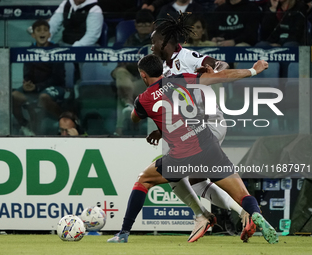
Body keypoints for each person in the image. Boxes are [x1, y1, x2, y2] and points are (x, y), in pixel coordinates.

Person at [107, 54, 278, 244]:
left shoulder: (143, 100)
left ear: (143, 75)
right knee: (243, 195)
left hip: (181, 157)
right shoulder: (181, 80)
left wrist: (154, 120)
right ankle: (254, 213)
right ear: (162, 70)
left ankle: (123, 233)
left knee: (143, 180)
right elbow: (223, 76)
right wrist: (254, 70)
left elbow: (134, 117)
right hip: (210, 149)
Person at [150, 12, 256, 242]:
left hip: (207, 124)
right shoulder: (164, 69)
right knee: (198, 181)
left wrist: (212, 71)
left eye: (154, 42)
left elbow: (221, 64)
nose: (151, 46)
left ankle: (206, 216)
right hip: (191, 130)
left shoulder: (187, 57)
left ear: (166, 42)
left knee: (171, 172)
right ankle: (245, 215)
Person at [12, 20, 65, 136]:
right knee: (14, 96)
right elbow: (27, 73)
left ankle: (65, 123)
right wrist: (27, 83)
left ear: (49, 34)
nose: (42, 33)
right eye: (39, 30)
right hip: (35, 87)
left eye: (45, 30)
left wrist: (37, 87)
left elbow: (57, 78)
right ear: (33, 35)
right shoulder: (28, 51)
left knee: (44, 97)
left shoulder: (57, 50)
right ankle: (25, 125)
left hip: (55, 86)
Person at [112, 9, 155, 136]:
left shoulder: (157, 41)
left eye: (147, 24)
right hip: (131, 78)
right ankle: (129, 104)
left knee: (123, 94)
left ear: (153, 25)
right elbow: (122, 63)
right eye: (140, 24)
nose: (143, 27)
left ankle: (119, 130)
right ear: (136, 25)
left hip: (148, 81)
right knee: (120, 72)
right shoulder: (130, 40)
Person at [48, 0, 104, 87]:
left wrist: (73, 49)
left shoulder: (95, 9)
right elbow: (53, 24)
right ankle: (64, 89)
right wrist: (46, 40)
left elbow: (92, 35)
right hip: (65, 43)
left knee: (87, 60)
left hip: (87, 46)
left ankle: (85, 90)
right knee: (54, 54)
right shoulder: (66, 4)